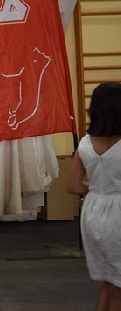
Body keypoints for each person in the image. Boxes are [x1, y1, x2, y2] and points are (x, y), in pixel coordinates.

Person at [66, 81, 121, 311]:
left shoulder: (85, 143)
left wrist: (99, 189)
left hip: (93, 212)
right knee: (118, 286)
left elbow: (73, 186)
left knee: (111, 279)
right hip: (118, 215)